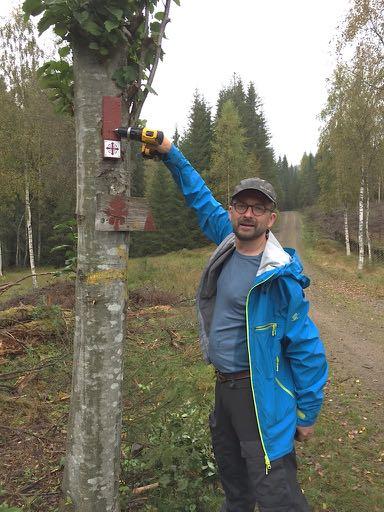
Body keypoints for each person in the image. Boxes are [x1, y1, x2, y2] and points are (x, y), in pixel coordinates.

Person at [154, 136, 328, 512]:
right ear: (232, 211)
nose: (248, 214)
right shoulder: (227, 241)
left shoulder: (279, 278)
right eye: (241, 206)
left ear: (271, 217)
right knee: (235, 488)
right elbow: (199, 197)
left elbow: (307, 349)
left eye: (258, 207)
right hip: (225, 392)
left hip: (259, 394)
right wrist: (171, 153)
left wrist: (307, 412)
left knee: (276, 495)